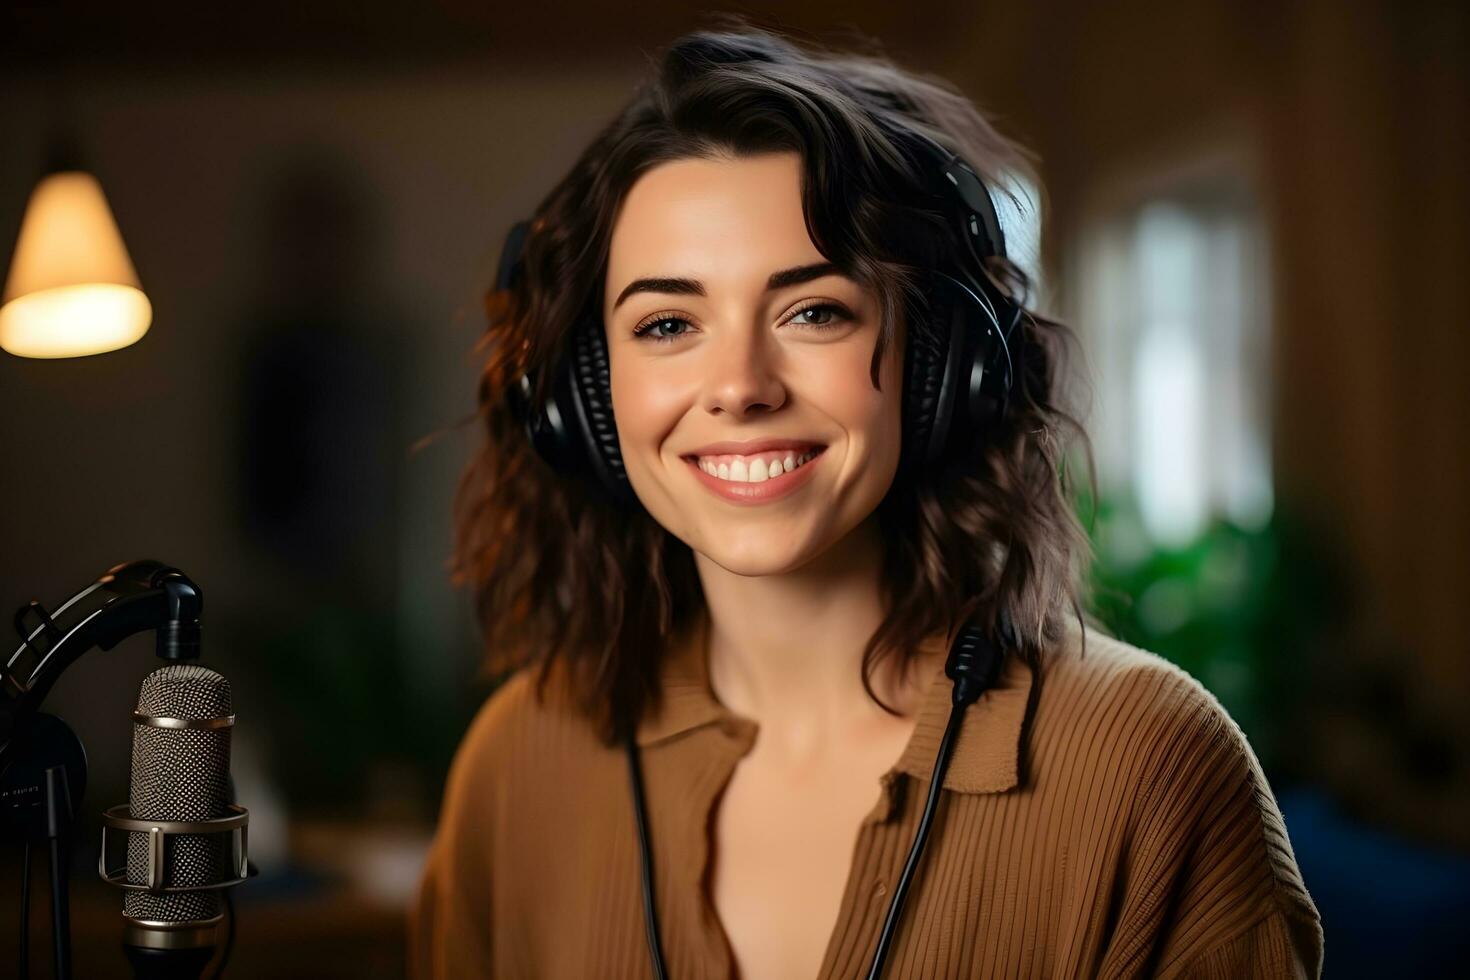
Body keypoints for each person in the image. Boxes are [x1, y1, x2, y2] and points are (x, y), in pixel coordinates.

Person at [410, 21, 1323, 980]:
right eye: (668, 323)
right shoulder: (517, 765)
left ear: (941, 367)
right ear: (581, 402)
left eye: (814, 311)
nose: (740, 386)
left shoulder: (1151, 768)